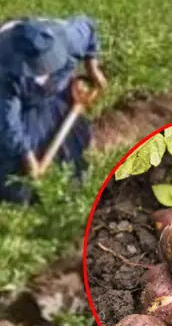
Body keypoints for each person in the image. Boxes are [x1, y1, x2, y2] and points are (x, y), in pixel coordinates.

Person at [0, 16, 106, 204]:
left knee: (72, 153)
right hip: (19, 110)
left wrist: (93, 69)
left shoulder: (66, 37)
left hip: (52, 99)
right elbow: (9, 125)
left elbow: (88, 29)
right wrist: (28, 159)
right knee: (16, 184)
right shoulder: (5, 71)